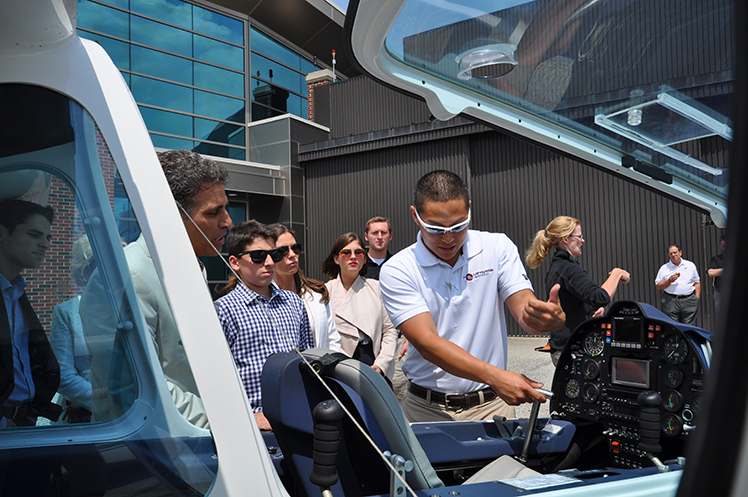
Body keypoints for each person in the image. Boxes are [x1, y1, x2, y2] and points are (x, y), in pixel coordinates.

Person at [379, 170, 565, 423]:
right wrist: (496, 376)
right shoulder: (398, 268)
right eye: (435, 229)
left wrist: (543, 319)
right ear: (415, 216)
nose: (448, 238)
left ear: (468, 208)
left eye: (459, 225)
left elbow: (523, 307)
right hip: (427, 410)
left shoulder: (497, 247)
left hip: (492, 407)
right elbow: (427, 343)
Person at [81, 149, 233, 427]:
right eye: (214, 212)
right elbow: (136, 390)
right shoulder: (129, 275)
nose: (228, 221)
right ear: (170, 214)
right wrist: (229, 420)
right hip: (149, 453)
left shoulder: (192, 267)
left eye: (225, 207)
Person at [216, 221, 314, 431]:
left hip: (299, 418)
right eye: (258, 256)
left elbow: (309, 359)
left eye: (274, 255)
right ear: (234, 262)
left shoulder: (294, 302)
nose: (269, 262)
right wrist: (248, 416)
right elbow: (216, 377)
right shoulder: (223, 310)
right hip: (251, 427)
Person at [525, 216, 630, 366]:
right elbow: (600, 297)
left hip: (564, 347)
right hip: (573, 349)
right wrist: (617, 273)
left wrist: (590, 309)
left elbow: (572, 302)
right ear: (566, 239)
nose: (583, 241)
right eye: (579, 237)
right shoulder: (568, 268)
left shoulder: (558, 267)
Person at [0, 199, 61, 427]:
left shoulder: (16, 293)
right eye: (35, 234)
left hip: (24, 423)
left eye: (48, 237)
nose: (45, 244)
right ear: (2, 234)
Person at [321, 233, 398, 380]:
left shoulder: (377, 288)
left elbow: (389, 330)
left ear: (364, 258)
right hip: (339, 364)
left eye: (358, 252)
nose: (353, 257)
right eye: (346, 252)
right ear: (336, 259)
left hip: (374, 362)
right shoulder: (325, 292)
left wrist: (381, 365)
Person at [268, 223, 341, 351]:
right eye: (283, 251)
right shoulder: (263, 299)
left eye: (295, 248)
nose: (292, 255)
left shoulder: (317, 292)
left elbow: (332, 339)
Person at [49, 235, 95, 423]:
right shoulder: (67, 313)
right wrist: (108, 403)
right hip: (84, 419)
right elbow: (63, 377)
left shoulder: (132, 310)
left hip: (136, 416)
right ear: (85, 272)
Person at [655, 245, 701, 324]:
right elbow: (658, 286)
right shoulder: (664, 268)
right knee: (672, 325)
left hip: (689, 300)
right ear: (669, 255)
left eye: (675, 252)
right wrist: (668, 281)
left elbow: (697, 283)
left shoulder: (690, 265)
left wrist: (696, 299)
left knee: (688, 326)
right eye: (671, 253)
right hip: (671, 300)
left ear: (680, 253)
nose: (673, 255)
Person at [707, 235, 726, 320]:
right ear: (720, 246)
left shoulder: (740, 258)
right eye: (724, 246)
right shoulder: (716, 259)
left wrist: (719, 272)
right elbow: (711, 272)